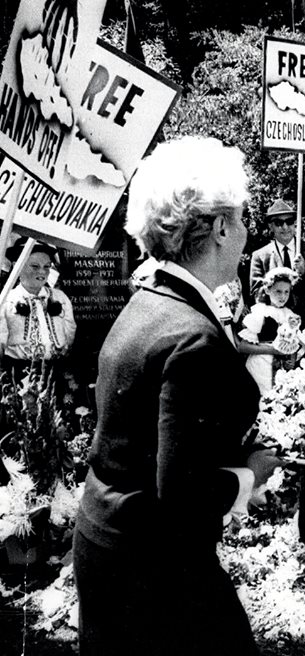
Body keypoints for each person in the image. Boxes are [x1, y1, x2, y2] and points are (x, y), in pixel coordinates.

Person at [73, 136, 280, 656]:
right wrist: (250, 473)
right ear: (219, 227)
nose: (248, 232)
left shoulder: (148, 301)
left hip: (106, 538)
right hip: (155, 567)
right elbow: (181, 496)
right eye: (243, 216)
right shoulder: (193, 336)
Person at [0, 239, 76, 379]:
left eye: (46, 266)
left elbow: (70, 333)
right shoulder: (6, 301)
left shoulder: (60, 298)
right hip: (20, 374)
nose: (42, 272)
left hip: (56, 371)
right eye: (35, 266)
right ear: (18, 266)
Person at [249, 199, 305, 325]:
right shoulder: (260, 256)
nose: (285, 227)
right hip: (275, 324)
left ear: (295, 224)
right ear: (270, 226)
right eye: (278, 223)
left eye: (289, 222)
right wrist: (274, 282)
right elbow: (256, 295)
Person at [237, 266, 302, 394]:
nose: (282, 296)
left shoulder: (290, 314)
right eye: (278, 291)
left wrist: (292, 360)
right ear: (267, 290)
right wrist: (273, 350)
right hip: (261, 366)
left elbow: (294, 343)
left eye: (286, 292)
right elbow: (243, 347)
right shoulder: (260, 312)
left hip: (281, 370)